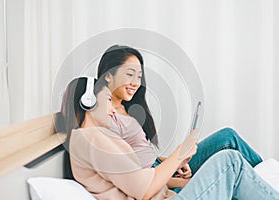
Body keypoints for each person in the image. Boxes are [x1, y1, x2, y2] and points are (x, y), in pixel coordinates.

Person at [59, 76, 279, 199]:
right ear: (88, 102)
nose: (113, 109)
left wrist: (178, 164)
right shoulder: (88, 139)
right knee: (229, 162)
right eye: (107, 100)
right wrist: (178, 156)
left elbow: (140, 177)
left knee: (229, 153)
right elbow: (143, 190)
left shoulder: (95, 138)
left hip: (168, 195)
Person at [96, 45, 263, 192]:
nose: (135, 83)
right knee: (229, 162)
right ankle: (265, 184)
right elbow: (135, 178)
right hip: (159, 180)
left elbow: (144, 155)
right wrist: (184, 182)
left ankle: (266, 179)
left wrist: (175, 162)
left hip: (162, 168)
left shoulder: (128, 108)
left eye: (139, 77)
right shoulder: (104, 115)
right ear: (108, 75)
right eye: (129, 74)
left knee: (227, 136)